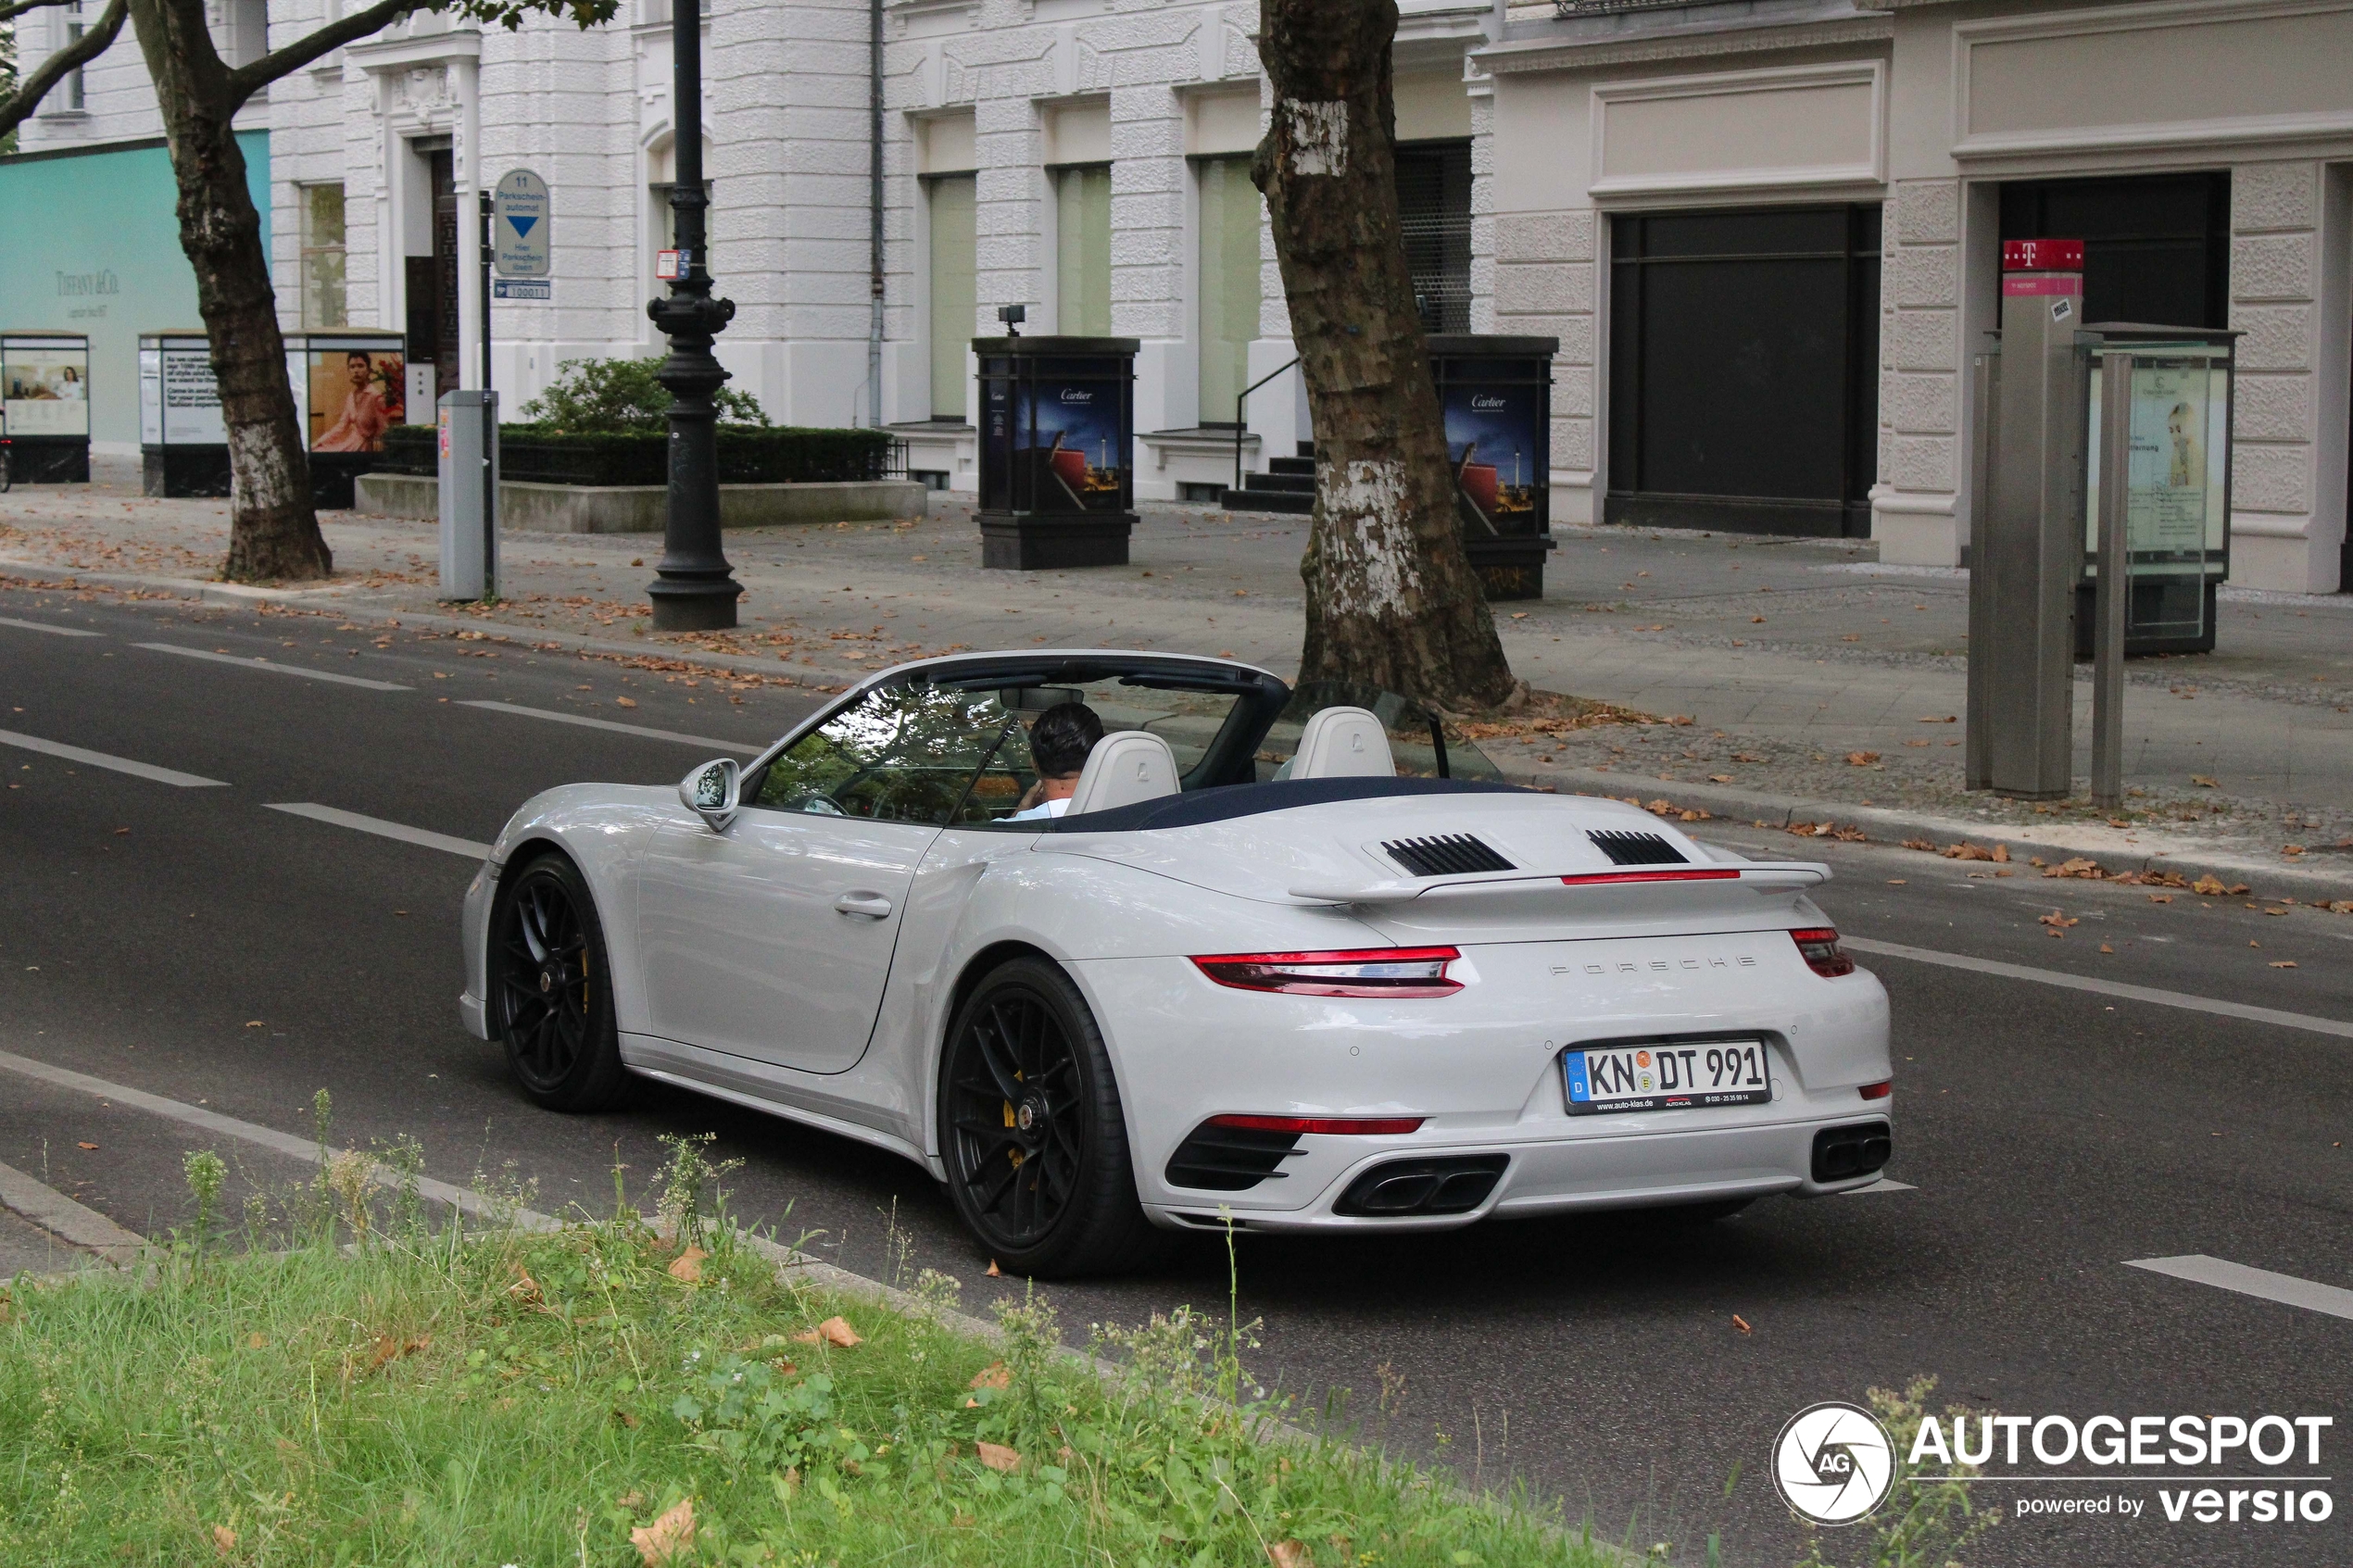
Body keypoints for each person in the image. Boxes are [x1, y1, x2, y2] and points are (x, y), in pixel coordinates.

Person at [1004, 700, 1103, 821]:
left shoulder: (1001, 832)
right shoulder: (1123, 817)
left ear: (1035, 765)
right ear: (1099, 761)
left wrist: (1018, 815)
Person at [315, 351, 390, 452]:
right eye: (352, 367)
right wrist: (319, 442)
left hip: (365, 449)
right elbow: (341, 426)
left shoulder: (375, 397)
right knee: (318, 450)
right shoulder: (351, 396)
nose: (356, 370)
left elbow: (383, 429)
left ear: (368, 370)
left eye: (360, 366)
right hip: (350, 443)